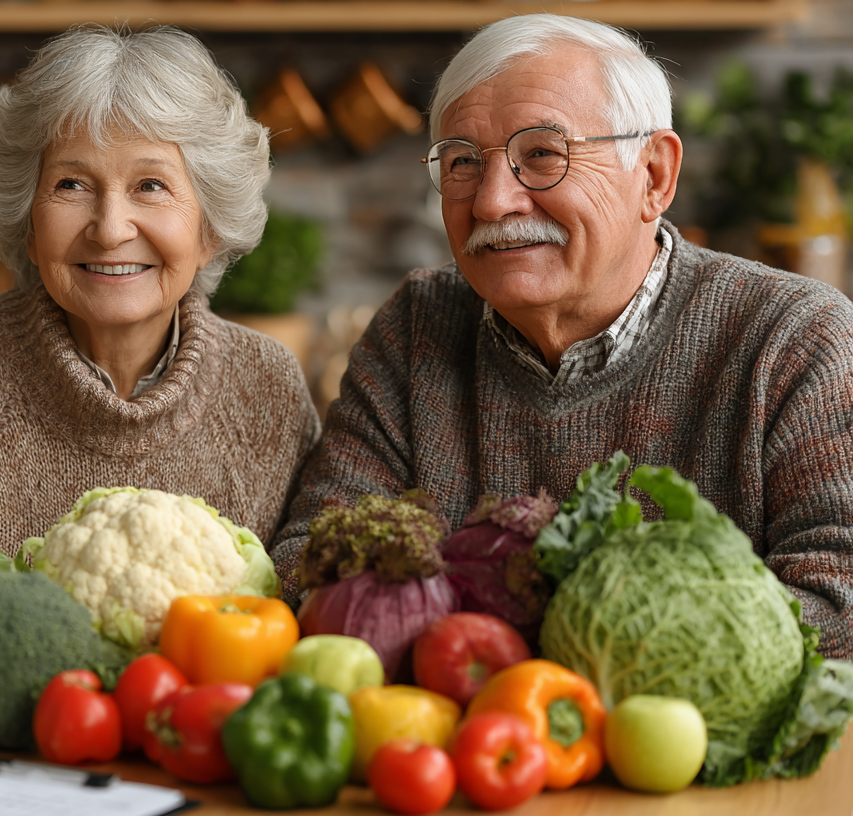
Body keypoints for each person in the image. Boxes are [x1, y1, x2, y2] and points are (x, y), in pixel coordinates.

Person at [272, 14, 853, 657]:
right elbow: (310, 563)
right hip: (464, 742)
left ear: (654, 176)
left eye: (542, 154)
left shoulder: (796, 338)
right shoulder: (416, 327)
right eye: (464, 162)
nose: (492, 202)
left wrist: (543, 630)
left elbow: (838, 605)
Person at [0, 25, 319, 565]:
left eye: (152, 185)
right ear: (28, 224)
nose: (110, 228)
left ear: (209, 230)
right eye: (71, 185)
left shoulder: (270, 388)